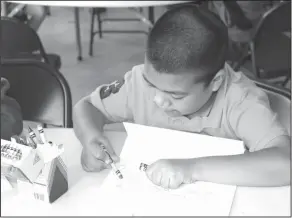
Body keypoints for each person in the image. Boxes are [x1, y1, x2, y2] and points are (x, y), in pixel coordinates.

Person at [73, 5, 290, 189]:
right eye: (152, 84)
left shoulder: (240, 100)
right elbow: (88, 107)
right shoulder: (139, 83)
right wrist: (90, 137)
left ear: (215, 82)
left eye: (175, 95)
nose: (158, 100)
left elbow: (284, 163)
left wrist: (192, 169)